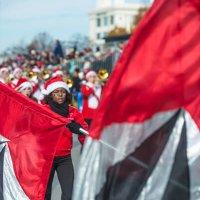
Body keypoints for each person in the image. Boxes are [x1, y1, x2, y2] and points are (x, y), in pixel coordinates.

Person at [42, 76, 88, 200]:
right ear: (50, 95)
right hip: (46, 158)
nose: (60, 95)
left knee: (68, 193)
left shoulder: (73, 112)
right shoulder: (43, 110)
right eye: (56, 92)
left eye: (62, 91)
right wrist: (63, 122)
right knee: (45, 194)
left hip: (65, 158)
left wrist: (90, 143)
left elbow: (84, 131)